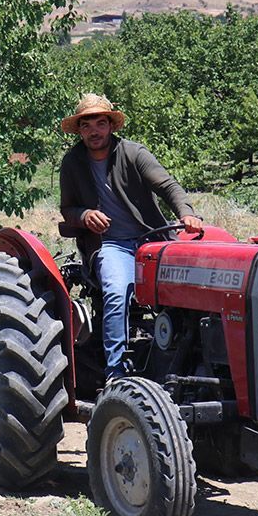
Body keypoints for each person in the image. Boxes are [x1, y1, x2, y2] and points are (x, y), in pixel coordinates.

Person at [59, 93, 203, 381]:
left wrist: (186, 212)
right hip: (111, 245)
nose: (94, 131)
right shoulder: (72, 163)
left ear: (111, 126)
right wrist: (85, 215)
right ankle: (116, 371)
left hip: (150, 239)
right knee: (116, 290)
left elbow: (168, 186)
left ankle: (189, 361)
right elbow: (67, 209)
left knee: (195, 285)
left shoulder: (133, 153)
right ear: (80, 131)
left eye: (100, 123)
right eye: (86, 126)